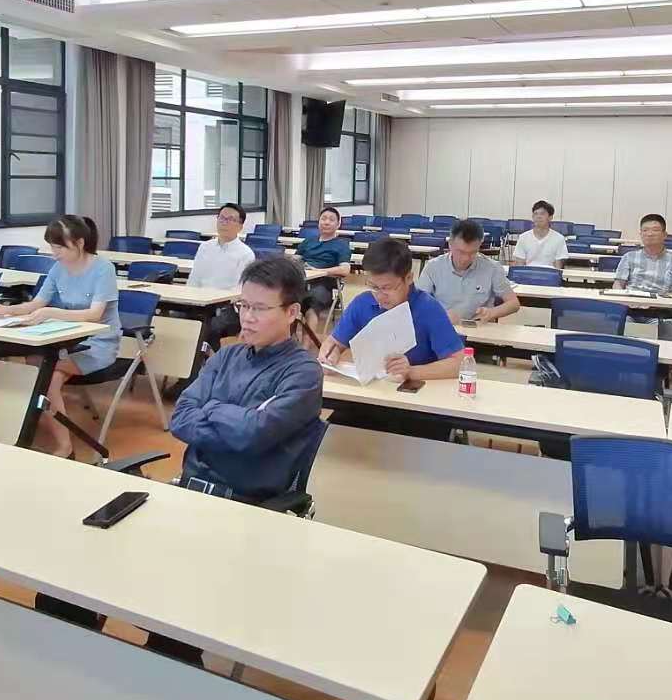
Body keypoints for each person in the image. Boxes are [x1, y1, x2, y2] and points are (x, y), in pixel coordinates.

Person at [148, 256, 324, 667]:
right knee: (97, 577)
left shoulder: (303, 373)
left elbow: (252, 435)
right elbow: (181, 418)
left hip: (248, 507)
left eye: (260, 309)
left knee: (175, 608)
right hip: (191, 492)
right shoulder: (225, 358)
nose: (247, 317)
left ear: (292, 312)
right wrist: (232, 416)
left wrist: (211, 409)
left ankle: (173, 668)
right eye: (243, 305)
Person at [0, 214, 120, 458]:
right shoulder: (58, 268)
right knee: (36, 367)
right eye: (52, 247)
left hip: (97, 344)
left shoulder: (103, 269)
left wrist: (50, 312)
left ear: (79, 243)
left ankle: (63, 446)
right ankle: (28, 432)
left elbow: (94, 315)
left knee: (43, 375)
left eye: (60, 247)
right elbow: (36, 303)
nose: (54, 253)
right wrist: (5, 310)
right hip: (66, 341)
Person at [319, 237, 463, 384]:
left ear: (409, 278)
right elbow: (334, 343)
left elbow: (459, 363)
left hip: (412, 392)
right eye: (373, 286)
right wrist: (330, 355)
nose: (380, 296)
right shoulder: (363, 303)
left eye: (387, 288)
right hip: (371, 388)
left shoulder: (428, 309)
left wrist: (411, 372)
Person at [612, 212, 672, 340]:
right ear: (641, 234)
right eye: (645, 230)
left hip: (661, 313)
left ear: (664, 235)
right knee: (616, 336)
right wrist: (622, 298)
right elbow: (618, 284)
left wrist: (665, 299)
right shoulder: (629, 257)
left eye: (655, 230)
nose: (650, 234)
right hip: (630, 311)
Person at [418, 218, 521, 323]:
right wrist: (438, 316)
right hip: (443, 325)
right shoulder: (433, 267)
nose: (465, 258)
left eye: (472, 252)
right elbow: (417, 304)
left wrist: (492, 313)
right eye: (461, 252)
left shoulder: (492, 268)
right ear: (450, 244)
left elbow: (514, 304)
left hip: (478, 328)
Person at [186, 202, 256, 348]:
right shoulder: (205, 247)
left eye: (230, 219)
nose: (224, 222)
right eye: (221, 218)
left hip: (226, 307)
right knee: (174, 321)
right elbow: (194, 279)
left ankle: (209, 359)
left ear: (240, 226)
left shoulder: (245, 254)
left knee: (207, 329)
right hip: (198, 302)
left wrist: (215, 300)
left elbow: (240, 290)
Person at [296, 205, 352, 334]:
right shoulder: (308, 241)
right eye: (323, 218)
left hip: (324, 285)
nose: (326, 222)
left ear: (338, 224)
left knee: (311, 304)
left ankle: (307, 344)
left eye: (331, 220)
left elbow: (345, 270)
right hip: (301, 281)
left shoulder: (341, 245)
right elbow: (295, 259)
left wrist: (320, 271)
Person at [512, 200, 569, 268]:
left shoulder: (559, 238)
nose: (538, 216)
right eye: (535, 214)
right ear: (532, 217)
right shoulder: (523, 237)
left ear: (550, 217)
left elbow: (558, 267)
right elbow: (519, 264)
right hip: (528, 273)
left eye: (542, 214)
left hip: (549, 273)